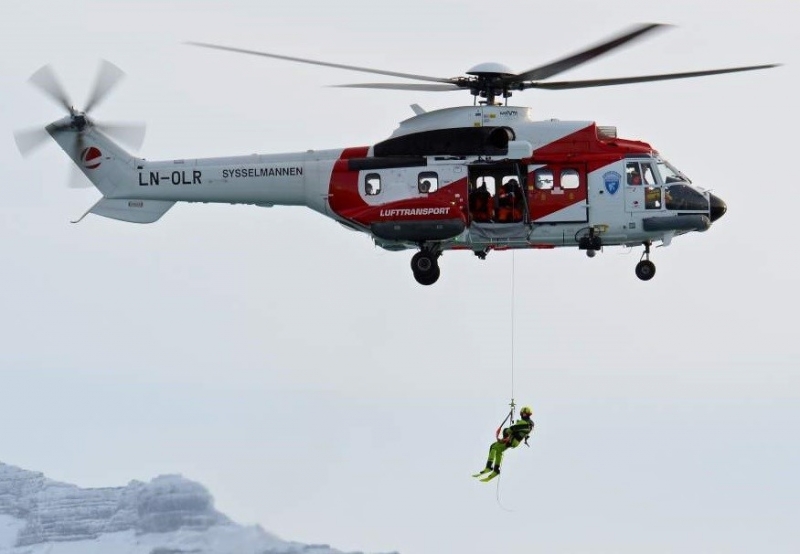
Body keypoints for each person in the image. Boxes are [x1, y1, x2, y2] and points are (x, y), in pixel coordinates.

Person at [475, 406, 534, 480]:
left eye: (525, 414)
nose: (523, 415)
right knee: (498, 450)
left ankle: (489, 467)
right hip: (513, 440)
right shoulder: (528, 423)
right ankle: (496, 470)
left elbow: (513, 429)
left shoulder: (526, 423)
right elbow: (516, 429)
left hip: (512, 440)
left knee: (493, 446)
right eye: (523, 414)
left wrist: (506, 433)